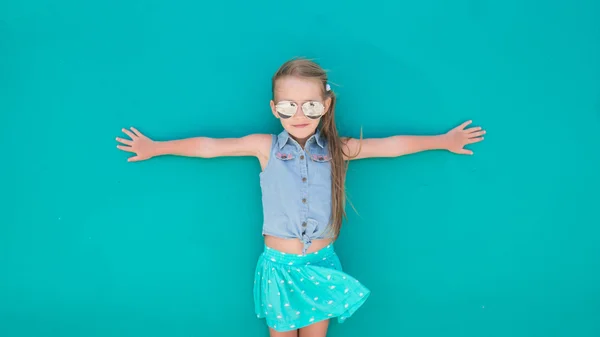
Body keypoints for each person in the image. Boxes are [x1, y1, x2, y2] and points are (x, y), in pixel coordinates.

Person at [115, 57, 485, 336]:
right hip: (278, 266)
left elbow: (392, 146)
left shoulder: (338, 149)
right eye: (288, 106)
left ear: (325, 105)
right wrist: (156, 147)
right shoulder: (267, 147)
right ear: (275, 108)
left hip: (322, 263)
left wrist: (444, 141)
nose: (299, 114)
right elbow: (209, 147)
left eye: (309, 105)